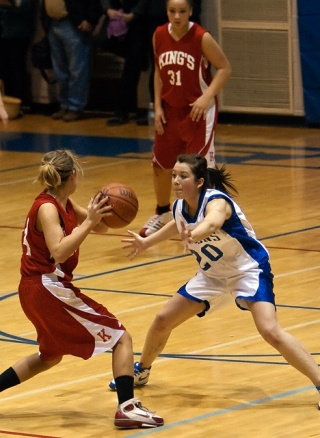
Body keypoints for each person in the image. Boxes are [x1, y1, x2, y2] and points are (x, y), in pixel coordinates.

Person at [109, 153, 320, 409]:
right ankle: (142, 369)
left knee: (270, 331)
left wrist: (194, 234)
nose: (175, 181)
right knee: (163, 319)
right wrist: (146, 242)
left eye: (183, 176)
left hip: (248, 270)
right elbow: (176, 226)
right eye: (174, 175)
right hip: (212, 276)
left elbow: (211, 223)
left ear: (199, 182)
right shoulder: (179, 207)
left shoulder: (217, 202)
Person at [0, 149, 164, 429]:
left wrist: (99, 213)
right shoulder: (48, 208)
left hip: (37, 289)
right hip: (46, 286)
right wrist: (89, 221)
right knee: (121, 337)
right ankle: (127, 407)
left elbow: (97, 228)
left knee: (48, 356)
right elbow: (60, 251)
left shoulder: (62, 201)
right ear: (72, 175)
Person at [138, 0, 231, 237]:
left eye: (182, 11)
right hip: (169, 111)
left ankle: (210, 214)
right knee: (160, 164)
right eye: (172, 11)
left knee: (200, 168)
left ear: (190, 12)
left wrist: (206, 97)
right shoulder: (158, 35)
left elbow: (224, 68)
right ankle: (162, 212)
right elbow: (158, 73)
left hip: (198, 112)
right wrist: (156, 107)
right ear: (166, 11)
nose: (177, 16)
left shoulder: (202, 37)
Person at [42, 0, 102, 122]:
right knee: (60, 70)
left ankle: (75, 106)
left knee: (78, 68)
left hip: (73, 23)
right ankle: (64, 104)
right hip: (53, 23)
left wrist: (91, 19)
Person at [101, 0, 148, 126]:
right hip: (118, 19)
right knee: (130, 68)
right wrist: (107, 9)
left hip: (140, 21)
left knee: (133, 66)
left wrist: (134, 14)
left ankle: (123, 111)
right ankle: (122, 111)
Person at [0, 0, 37, 105]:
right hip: (3, 31)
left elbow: (26, 3)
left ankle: (20, 102)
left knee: (17, 66)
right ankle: (7, 101)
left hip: (18, 32)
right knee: (3, 68)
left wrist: (6, 2)